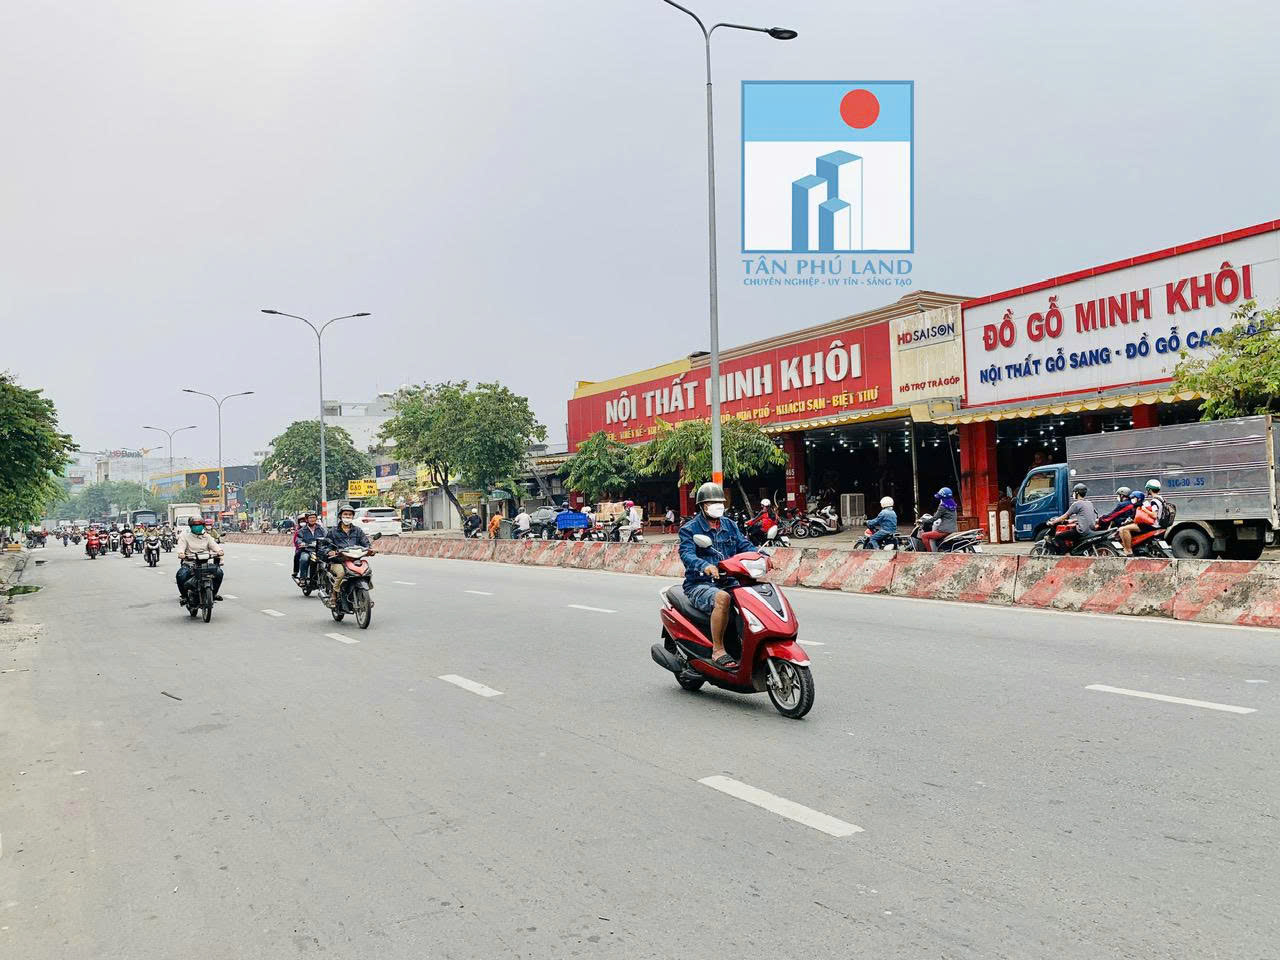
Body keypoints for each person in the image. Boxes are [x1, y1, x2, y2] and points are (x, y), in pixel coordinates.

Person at [678, 482, 755, 670]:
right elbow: (687, 554)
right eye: (711, 503)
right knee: (723, 598)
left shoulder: (730, 525)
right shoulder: (690, 529)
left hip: (730, 580)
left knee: (754, 596)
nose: (717, 506)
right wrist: (705, 565)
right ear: (702, 506)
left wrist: (762, 557)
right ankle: (718, 649)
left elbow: (745, 546)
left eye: (719, 502)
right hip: (700, 584)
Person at [324, 506, 374, 604]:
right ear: (340, 516)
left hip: (355, 560)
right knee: (341, 573)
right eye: (345, 514)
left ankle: (365, 595)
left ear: (353, 517)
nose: (347, 516)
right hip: (338, 561)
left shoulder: (358, 530)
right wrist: (329, 551)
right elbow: (325, 546)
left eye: (350, 515)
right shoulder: (333, 531)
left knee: (366, 571)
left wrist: (370, 550)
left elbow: (366, 544)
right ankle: (334, 595)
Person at [175, 515, 224, 602]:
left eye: (199, 525)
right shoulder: (185, 536)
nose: (197, 527)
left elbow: (214, 545)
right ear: (191, 526)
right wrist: (181, 553)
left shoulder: (207, 536)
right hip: (190, 563)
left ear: (203, 526)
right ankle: (184, 596)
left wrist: (219, 551)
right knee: (181, 575)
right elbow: (181, 547)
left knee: (219, 573)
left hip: (204, 564)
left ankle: (213, 594)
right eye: (195, 525)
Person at [1119, 479, 1165, 556]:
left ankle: (1128, 551)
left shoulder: (1154, 501)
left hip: (1153, 525)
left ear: (1149, 489)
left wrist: (1144, 510)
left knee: (1123, 529)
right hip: (1160, 524)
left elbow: (1154, 515)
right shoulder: (1161, 498)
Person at [1047, 483, 1096, 552]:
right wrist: (1074, 520)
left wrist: (1053, 522)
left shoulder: (1077, 504)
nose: (1073, 495)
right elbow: (1085, 516)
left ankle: (1067, 554)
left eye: (1074, 493)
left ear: (1077, 493)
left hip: (1082, 531)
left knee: (1058, 537)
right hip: (1091, 529)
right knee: (1073, 532)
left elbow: (1065, 516)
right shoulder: (1089, 503)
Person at [920, 487, 958, 552]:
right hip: (953, 529)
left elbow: (934, 518)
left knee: (924, 536)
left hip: (944, 530)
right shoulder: (953, 505)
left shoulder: (942, 506)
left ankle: (930, 554)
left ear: (942, 498)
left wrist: (922, 521)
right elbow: (948, 516)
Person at [296, 512, 326, 582]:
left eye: (314, 517)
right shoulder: (302, 530)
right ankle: (303, 578)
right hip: (307, 550)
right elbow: (298, 539)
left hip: (319, 551)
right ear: (307, 519)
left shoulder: (321, 529)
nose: (312, 519)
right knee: (304, 559)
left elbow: (327, 537)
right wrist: (301, 543)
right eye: (310, 518)